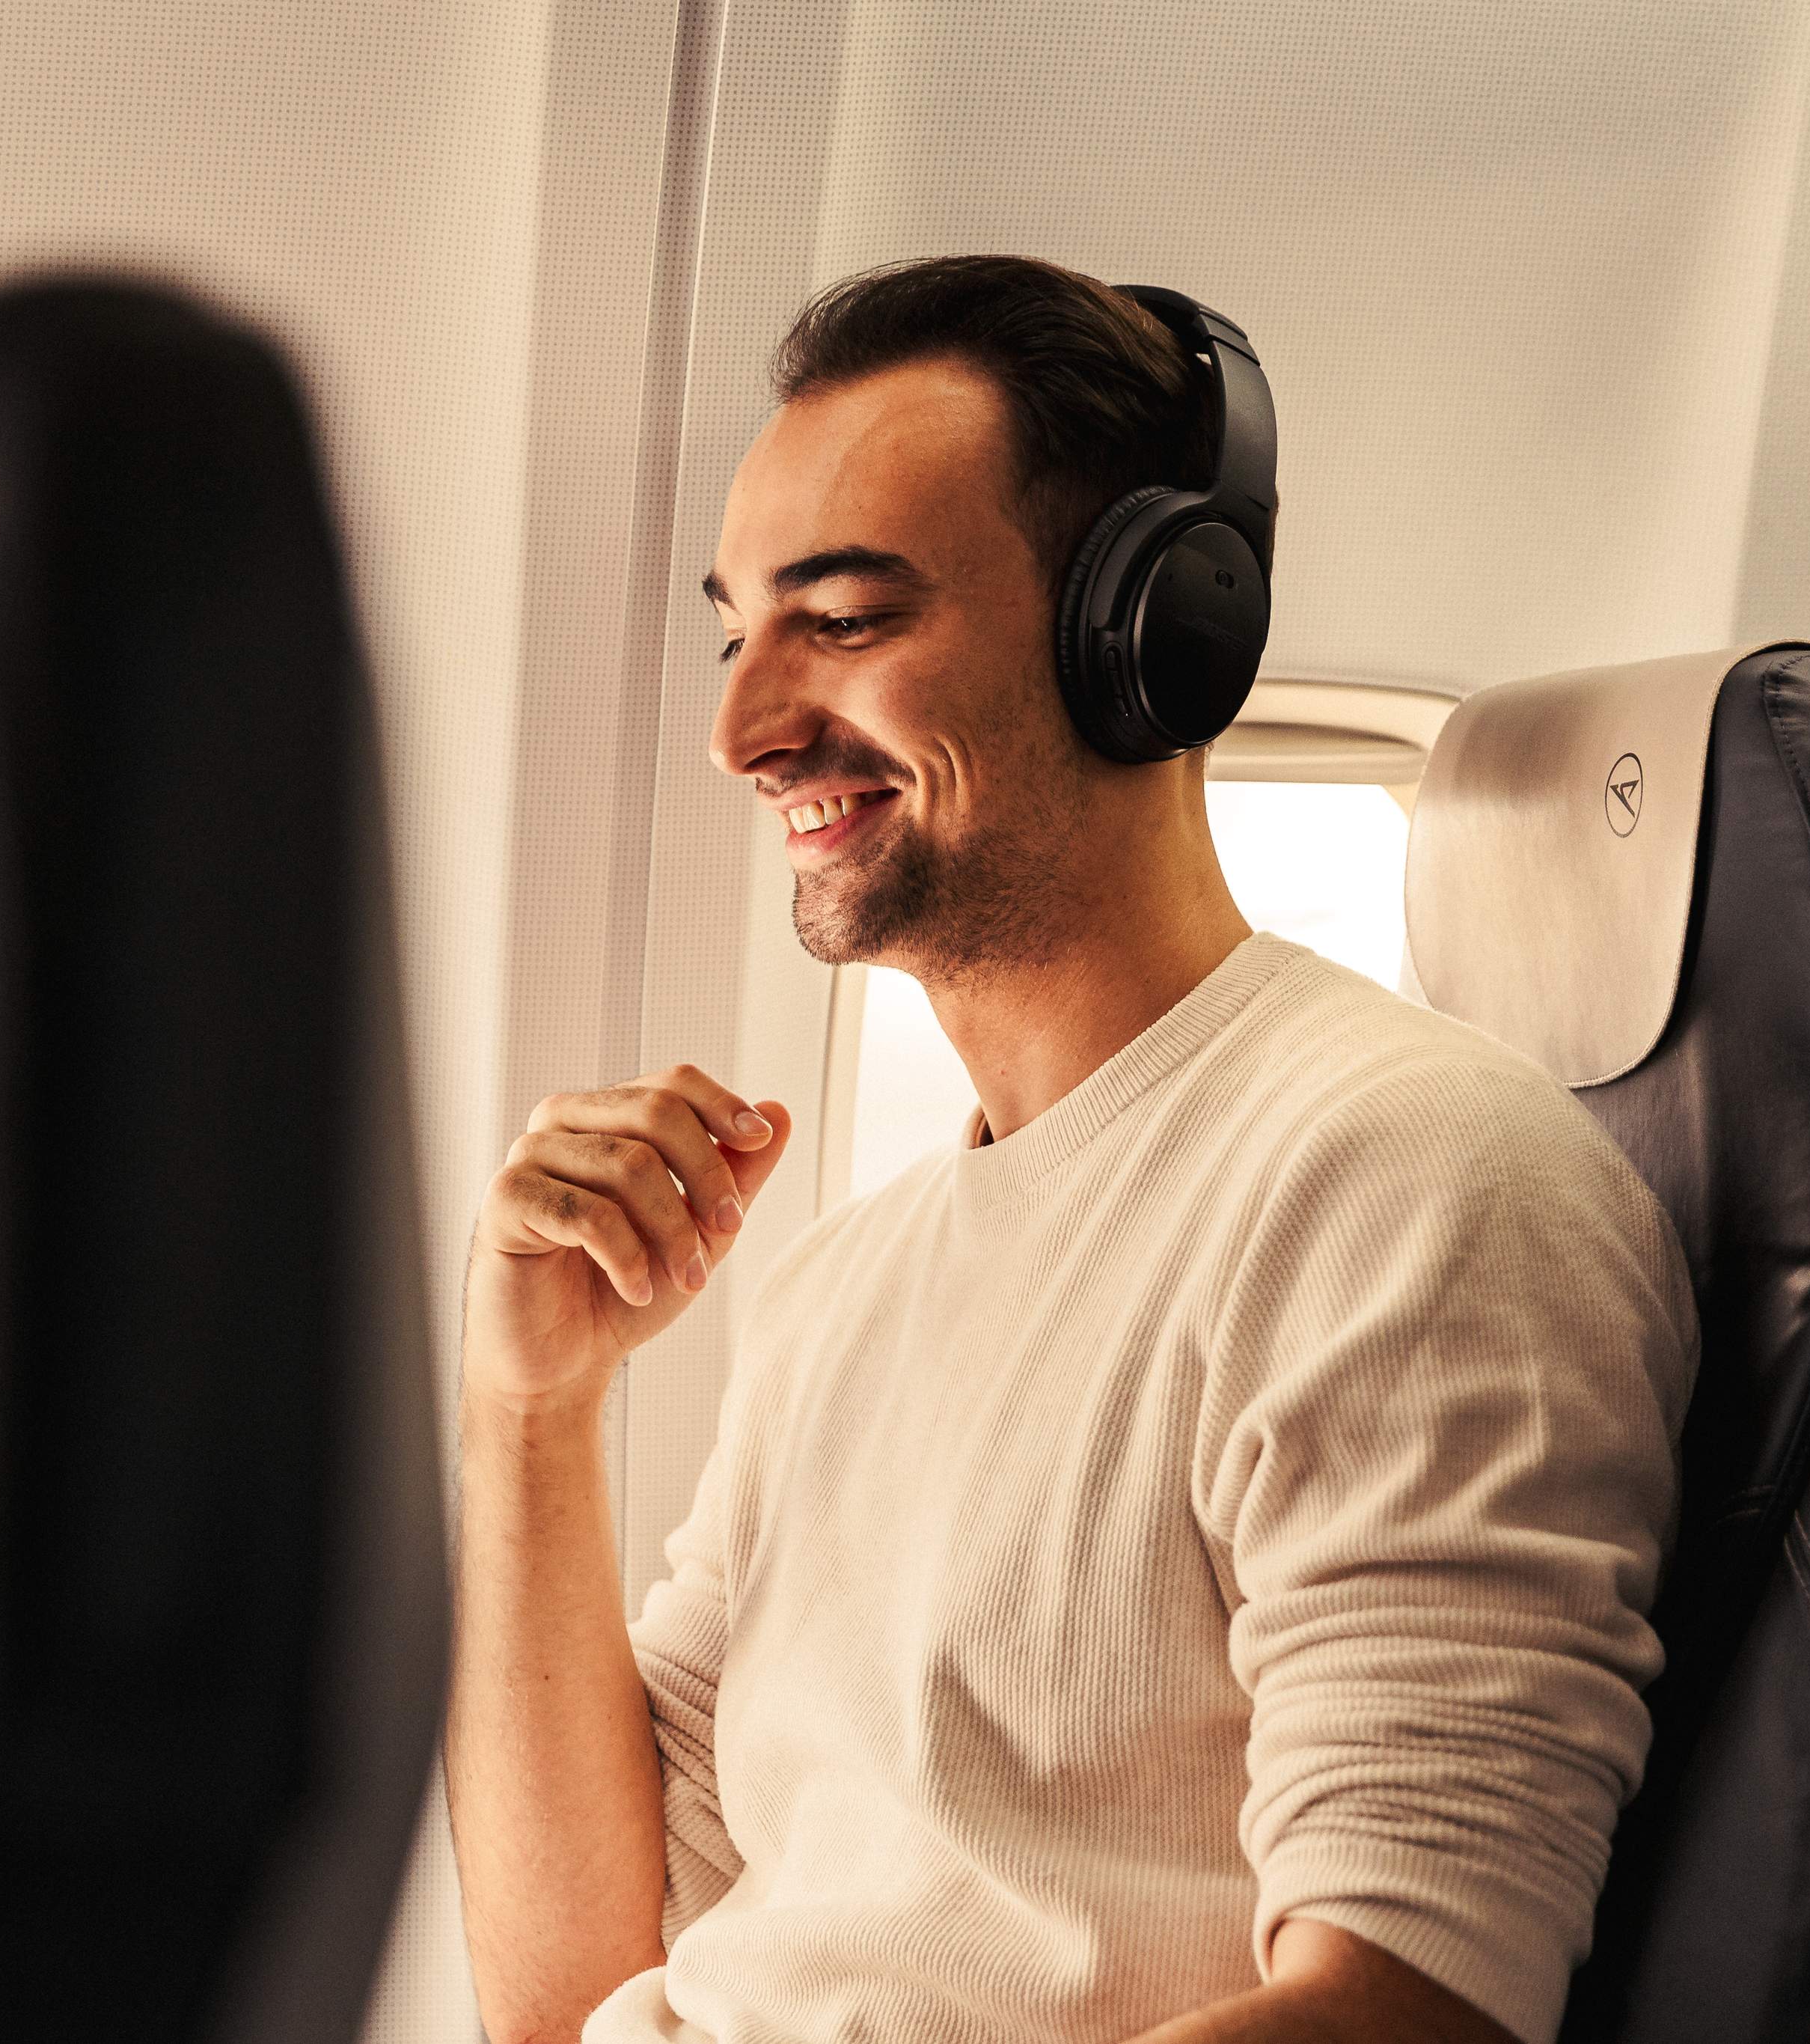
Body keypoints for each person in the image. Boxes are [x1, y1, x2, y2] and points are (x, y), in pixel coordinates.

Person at [445, 254, 1696, 2044]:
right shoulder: (841, 1288)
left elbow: (1404, 2011)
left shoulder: (1404, 1184)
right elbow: (571, 1984)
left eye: (849, 618)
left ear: (1149, 629)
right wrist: (527, 1413)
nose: (742, 729)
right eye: (738, 634)